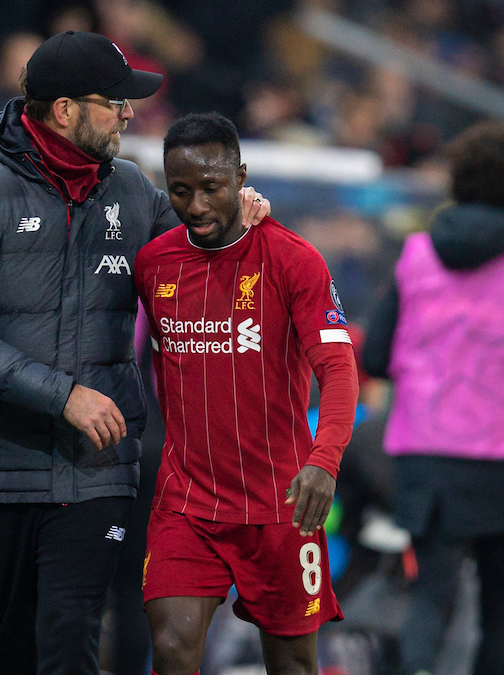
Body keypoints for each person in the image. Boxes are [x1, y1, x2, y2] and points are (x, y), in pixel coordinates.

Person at [0, 32, 268, 675]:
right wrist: (63, 396)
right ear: (65, 111)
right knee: (15, 652)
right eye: (115, 102)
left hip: (96, 467)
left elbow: (199, 266)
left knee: (71, 635)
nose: (129, 114)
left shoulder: (131, 190)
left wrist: (239, 227)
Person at [134, 112, 358, 675]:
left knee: (293, 665)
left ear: (241, 177)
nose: (197, 205)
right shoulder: (153, 264)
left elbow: (339, 369)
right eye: (181, 190)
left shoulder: (295, 261)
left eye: (212, 187)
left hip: (282, 504)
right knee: (171, 648)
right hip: (188, 501)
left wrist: (324, 462)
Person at [361, 121, 504, 675]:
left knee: (431, 593)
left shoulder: (415, 255)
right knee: (500, 606)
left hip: (423, 453)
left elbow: (378, 354)